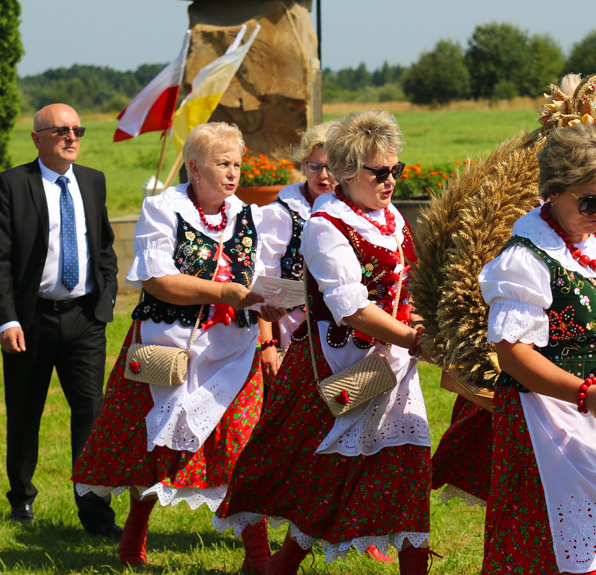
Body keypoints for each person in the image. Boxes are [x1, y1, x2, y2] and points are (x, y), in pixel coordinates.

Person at [214, 109, 435, 575]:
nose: (391, 180)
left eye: (395, 169)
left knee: (408, 473)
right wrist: (414, 339)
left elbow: (407, 284)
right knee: (324, 475)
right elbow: (351, 307)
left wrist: (427, 320)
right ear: (347, 172)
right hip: (341, 366)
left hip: (394, 366)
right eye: (380, 172)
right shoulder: (325, 224)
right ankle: (277, 565)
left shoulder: (391, 216)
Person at [70, 122, 285, 572]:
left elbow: (260, 278)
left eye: (238, 165)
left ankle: (258, 556)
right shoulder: (162, 208)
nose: (233, 174)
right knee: (154, 445)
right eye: (223, 164)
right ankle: (133, 537)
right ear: (195, 168)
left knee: (242, 445)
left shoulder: (250, 214)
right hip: (168, 346)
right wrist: (224, 292)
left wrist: (268, 322)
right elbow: (157, 280)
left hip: (235, 348)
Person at [478, 124, 596, 574]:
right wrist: (584, 394)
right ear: (552, 192)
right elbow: (513, 354)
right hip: (545, 417)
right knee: (547, 543)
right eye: (589, 201)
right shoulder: (525, 260)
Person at [0, 103, 120, 536]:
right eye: (61, 130)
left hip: (85, 317)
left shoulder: (93, 180)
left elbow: (103, 245)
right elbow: (1, 260)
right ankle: (22, 500)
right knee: (25, 411)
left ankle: (94, 513)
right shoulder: (13, 185)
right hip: (31, 321)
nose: (72, 137)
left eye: (77, 129)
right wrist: (7, 320)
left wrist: (105, 296)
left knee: (91, 413)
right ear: (37, 138)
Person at [258, 121, 335, 386]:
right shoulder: (281, 213)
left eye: (331, 166)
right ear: (303, 165)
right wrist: (268, 343)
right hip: (292, 328)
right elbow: (264, 282)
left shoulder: (352, 207)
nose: (323, 175)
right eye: (315, 166)